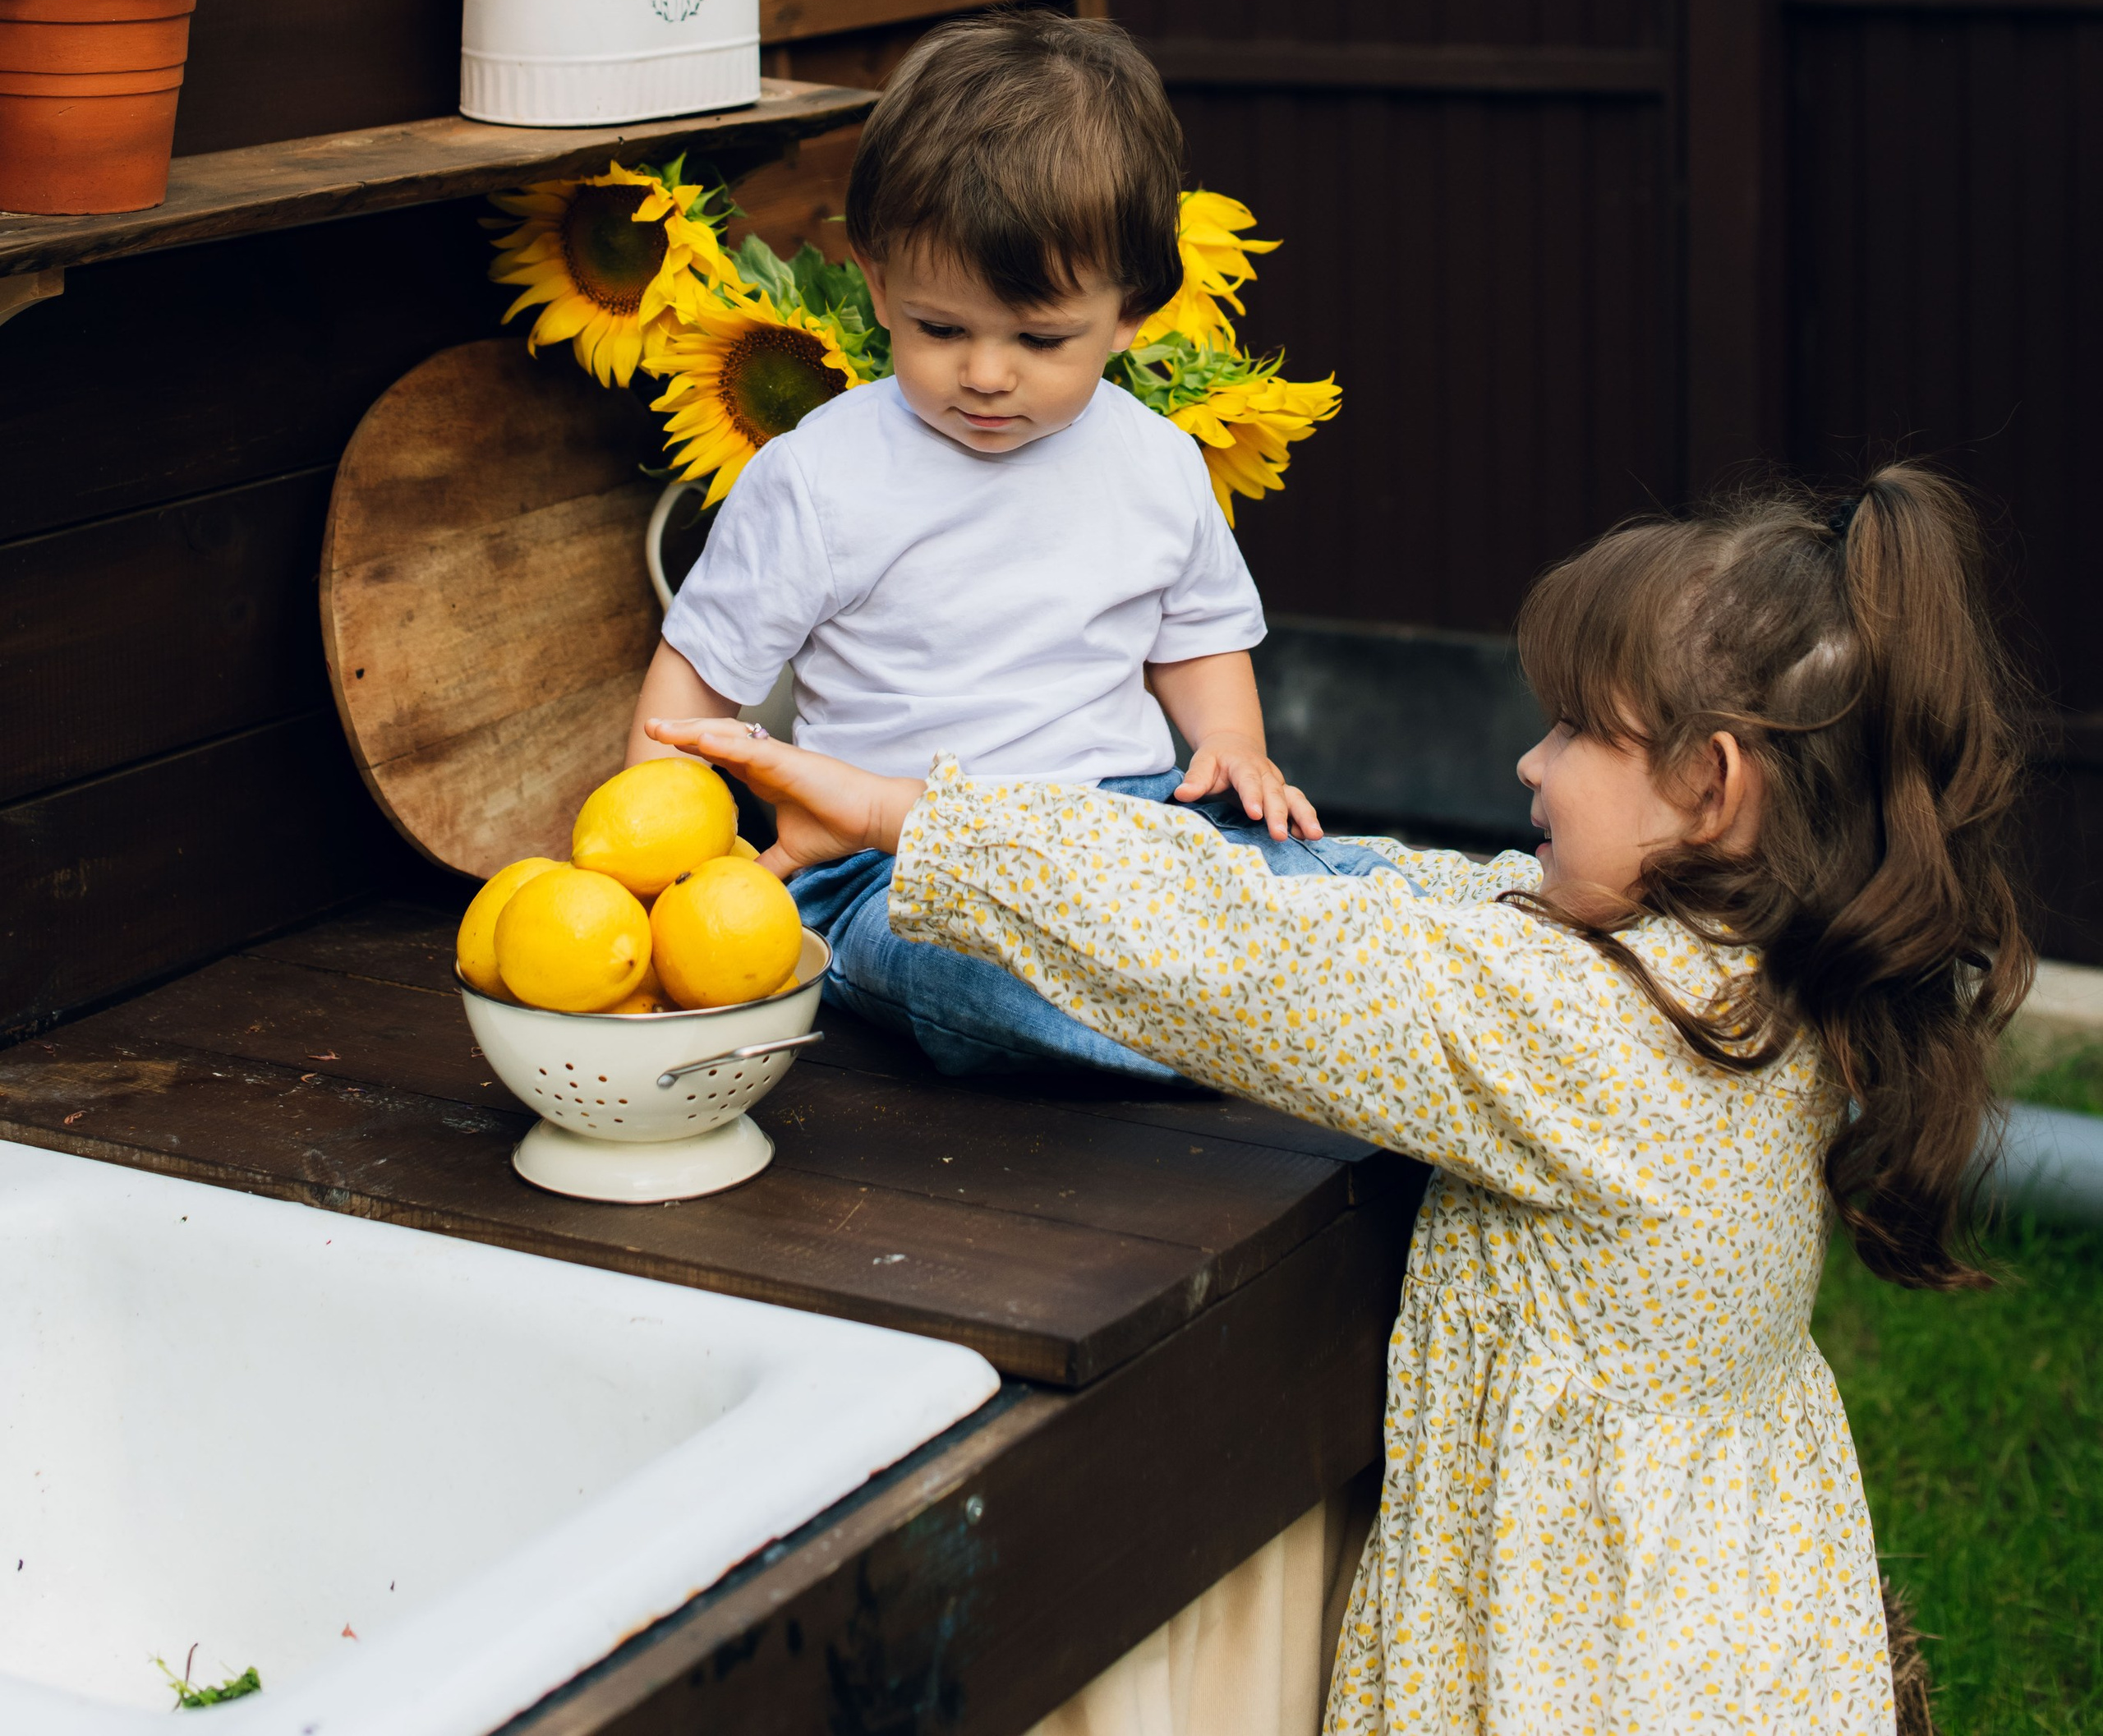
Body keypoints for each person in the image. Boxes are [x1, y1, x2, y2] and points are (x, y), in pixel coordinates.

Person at [649, 464, 2035, 1736]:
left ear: (1715, 788)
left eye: (1570, 733)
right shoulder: (1767, 977)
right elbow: (1426, 896)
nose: (1528, 768)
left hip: (1583, 1656)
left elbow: (1234, 958)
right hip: (1729, 1604)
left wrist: (912, 822)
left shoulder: (1571, 1028)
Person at [624, 8, 1387, 1081]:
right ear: (880, 282)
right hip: (885, 867)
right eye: (942, 329)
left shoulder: (1156, 462)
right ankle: (1266, 1029)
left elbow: (1197, 637)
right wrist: (659, 878)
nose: (986, 374)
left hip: (1121, 827)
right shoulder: (818, 477)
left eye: (1038, 339)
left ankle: (1437, 949)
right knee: (991, 981)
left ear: (1131, 313)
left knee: (1327, 880)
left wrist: (1234, 748)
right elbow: (696, 683)